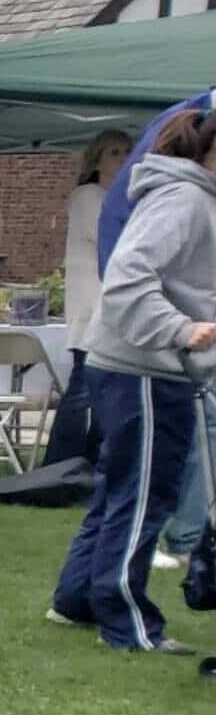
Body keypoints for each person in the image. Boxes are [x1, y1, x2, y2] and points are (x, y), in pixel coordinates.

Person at [50, 105, 216, 650]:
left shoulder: (185, 197)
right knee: (145, 497)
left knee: (121, 491)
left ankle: (76, 600)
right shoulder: (185, 200)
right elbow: (126, 278)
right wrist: (180, 329)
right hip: (145, 368)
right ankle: (128, 622)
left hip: (135, 366)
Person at [48, 129, 129, 468]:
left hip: (113, 306)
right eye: (114, 153)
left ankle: (94, 461)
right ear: (97, 159)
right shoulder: (88, 196)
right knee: (81, 389)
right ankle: (59, 462)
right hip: (90, 305)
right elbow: (106, 238)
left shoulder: (122, 198)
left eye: (127, 151)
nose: (122, 158)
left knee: (105, 390)